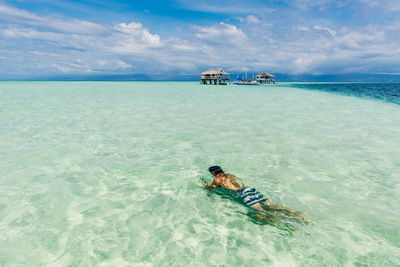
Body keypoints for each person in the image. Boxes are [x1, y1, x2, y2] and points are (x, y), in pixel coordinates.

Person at [201, 166, 309, 224]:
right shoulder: (229, 175)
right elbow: (238, 181)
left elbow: (212, 188)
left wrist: (205, 186)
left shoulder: (217, 179)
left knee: (263, 211)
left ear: (213, 173)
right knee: (271, 206)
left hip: (242, 193)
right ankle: (296, 213)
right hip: (248, 189)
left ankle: (293, 219)